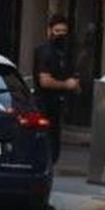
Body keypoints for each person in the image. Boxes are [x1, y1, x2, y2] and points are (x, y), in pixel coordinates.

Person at [33, 14, 80, 162]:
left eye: (63, 31)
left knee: (54, 143)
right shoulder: (45, 51)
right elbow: (44, 81)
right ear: (50, 31)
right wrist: (67, 84)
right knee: (46, 143)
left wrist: (74, 86)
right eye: (57, 31)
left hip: (58, 106)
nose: (60, 35)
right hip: (45, 105)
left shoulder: (66, 53)